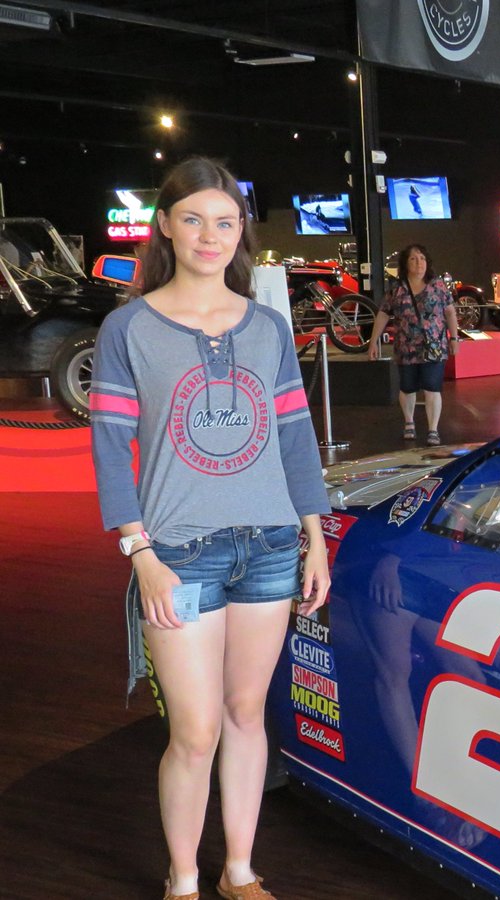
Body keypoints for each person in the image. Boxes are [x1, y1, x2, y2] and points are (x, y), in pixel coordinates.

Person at [89, 157, 331, 900]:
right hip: (178, 555)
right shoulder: (129, 327)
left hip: (266, 547)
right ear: (164, 225)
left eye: (224, 223)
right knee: (193, 732)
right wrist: (140, 553)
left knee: (246, 714)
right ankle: (184, 879)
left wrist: (313, 535)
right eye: (193, 219)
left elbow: (293, 437)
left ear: (240, 234)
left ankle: (239, 871)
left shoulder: (265, 326)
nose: (209, 235)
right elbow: (109, 447)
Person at [367, 244, 459, 446]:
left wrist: (455, 338)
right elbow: (383, 314)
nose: (419, 263)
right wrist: (373, 341)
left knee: (432, 387)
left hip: (434, 346)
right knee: (407, 387)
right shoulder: (397, 288)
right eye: (414, 259)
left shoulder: (438, 286)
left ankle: (433, 428)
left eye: (422, 258)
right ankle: (409, 422)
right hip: (406, 347)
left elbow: (450, 312)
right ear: (405, 264)